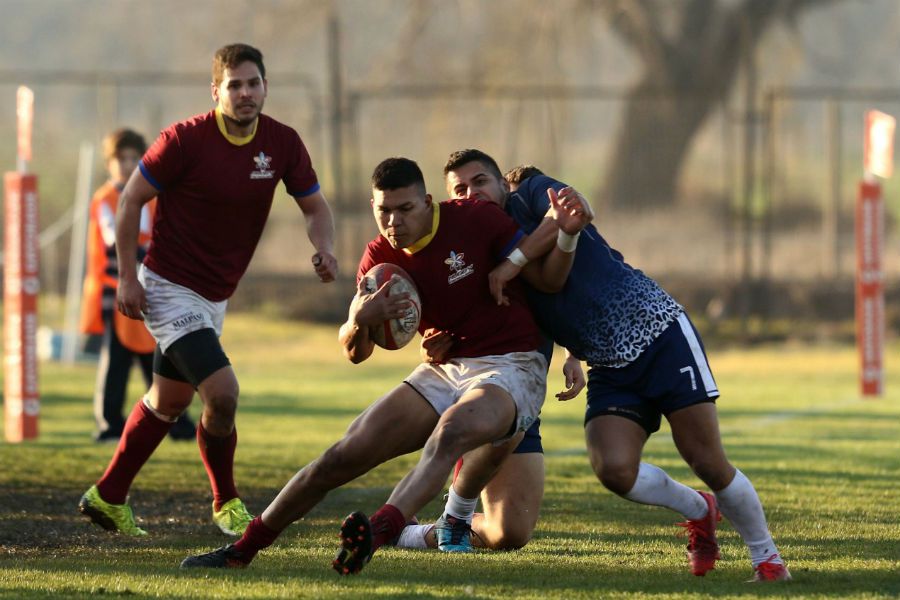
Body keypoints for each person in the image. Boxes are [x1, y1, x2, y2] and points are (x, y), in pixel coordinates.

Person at [178, 156, 589, 572]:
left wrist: (544, 258)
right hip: (447, 369)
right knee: (342, 455)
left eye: (405, 209)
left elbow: (549, 282)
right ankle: (242, 550)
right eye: (383, 211)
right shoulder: (378, 257)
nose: (393, 222)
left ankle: (377, 532)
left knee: (455, 437)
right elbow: (355, 352)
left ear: (428, 202)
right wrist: (360, 320)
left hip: (513, 365)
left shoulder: (476, 219)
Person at [416, 149, 790, 582]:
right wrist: (439, 342)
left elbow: (574, 214)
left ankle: (769, 562)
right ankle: (699, 509)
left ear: (503, 184)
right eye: (459, 190)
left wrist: (512, 264)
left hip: (660, 334)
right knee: (613, 469)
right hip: (610, 365)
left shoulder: (532, 192)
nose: (471, 193)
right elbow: (527, 308)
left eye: (480, 181)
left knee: (705, 458)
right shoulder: (478, 252)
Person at [77, 43, 337, 538]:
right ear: (215, 90)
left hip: (215, 296)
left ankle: (107, 496)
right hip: (169, 287)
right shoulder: (183, 140)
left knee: (167, 401)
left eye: (253, 83)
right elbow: (131, 199)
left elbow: (315, 207)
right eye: (234, 85)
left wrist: (324, 248)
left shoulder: (282, 143)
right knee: (223, 393)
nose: (245, 93)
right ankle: (227, 502)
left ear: (265, 87)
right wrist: (130, 276)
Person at [80, 127, 195, 443]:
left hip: (151, 292)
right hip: (114, 291)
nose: (128, 164)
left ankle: (177, 421)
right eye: (122, 158)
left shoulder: (152, 197)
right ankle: (109, 424)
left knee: (159, 359)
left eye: (134, 157)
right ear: (109, 163)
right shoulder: (104, 198)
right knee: (115, 362)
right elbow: (114, 236)